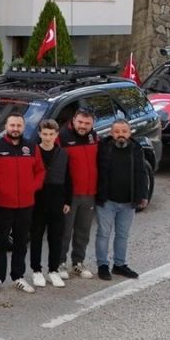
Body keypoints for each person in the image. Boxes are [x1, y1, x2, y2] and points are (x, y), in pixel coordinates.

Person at [0, 114, 45, 295]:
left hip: (26, 204)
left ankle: (18, 276)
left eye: (19, 125)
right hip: (2, 204)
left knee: (20, 242)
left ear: (23, 128)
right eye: (12, 125)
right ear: (6, 126)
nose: (15, 128)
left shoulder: (31, 147)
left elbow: (40, 171)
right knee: (0, 242)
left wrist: (32, 187)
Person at [94, 119, 149, 280]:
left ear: (129, 132)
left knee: (122, 235)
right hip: (107, 201)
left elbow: (141, 173)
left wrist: (143, 195)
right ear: (111, 133)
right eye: (117, 131)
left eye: (124, 131)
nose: (121, 135)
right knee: (103, 234)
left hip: (128, 202)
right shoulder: (103, 147)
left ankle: (119, 265)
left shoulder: (136, 148)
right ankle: (102, 265)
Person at [29, 119, 73, 288]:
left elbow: (68, 178)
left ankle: (53, 270)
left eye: (51, 134)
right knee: (36, 236)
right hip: (37, 199)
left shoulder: (63, 154)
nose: (48, 138)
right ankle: (36, 270)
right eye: (45, 134)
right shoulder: (33, 152)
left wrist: (67, 200)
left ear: (56, 135)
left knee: (56, 237)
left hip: (57, 199)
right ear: (40, 134)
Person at [60, 108, 99, 279]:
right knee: (65, 231)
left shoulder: (94, 137)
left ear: (92, 124)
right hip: (69, 195)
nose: (83, 126)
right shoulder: (62, 137)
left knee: (83, 230)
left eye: (87, 123)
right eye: (80, 122)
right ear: (74, 120)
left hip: (89, 193)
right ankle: (59, 263)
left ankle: (78, 262)